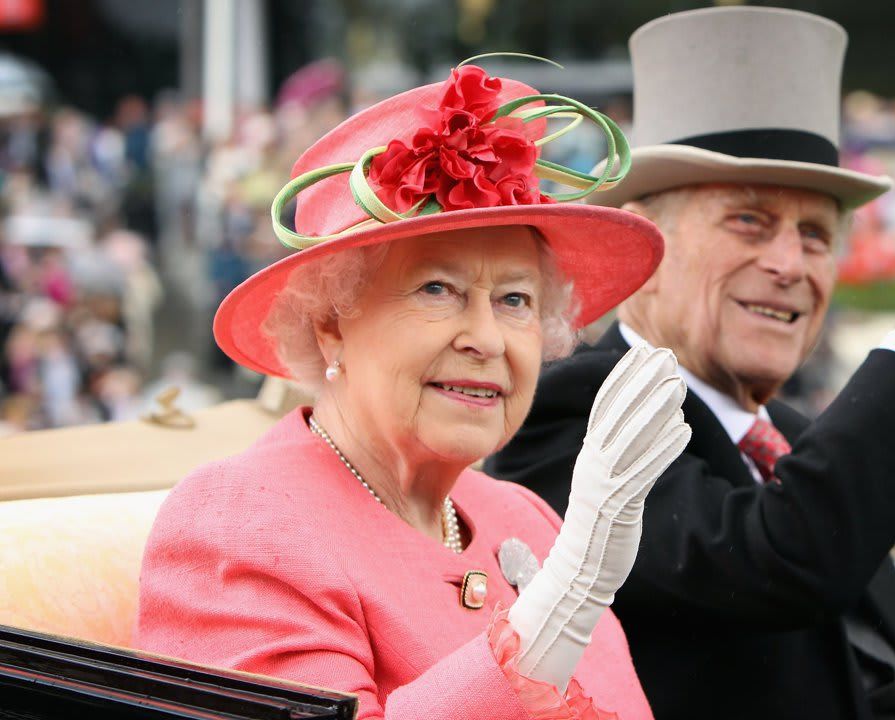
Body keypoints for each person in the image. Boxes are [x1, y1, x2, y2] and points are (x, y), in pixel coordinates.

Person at [488, 8, 895, 719]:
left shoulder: (798, 442)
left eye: (814, 234)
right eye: (749, 220)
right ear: (647, 250)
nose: (788, 264)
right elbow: (776, 558)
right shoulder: (577, 412)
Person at [135, 63, 694, 720]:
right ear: (330, 323)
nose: (487, 338)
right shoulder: (238, 521)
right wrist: (557, 608)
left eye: (515, 299)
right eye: (438, 290)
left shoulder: (525, 518)